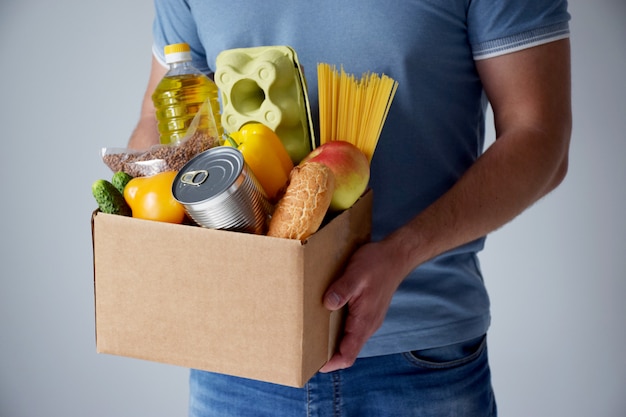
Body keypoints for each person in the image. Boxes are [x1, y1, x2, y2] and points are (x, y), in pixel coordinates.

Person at [128, 1, 572, 416]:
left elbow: (540, 136)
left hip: (418, 359)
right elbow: (161, 116)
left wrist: (402, 252)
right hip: (237, 356)